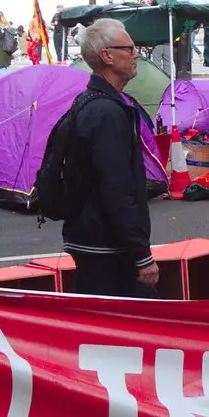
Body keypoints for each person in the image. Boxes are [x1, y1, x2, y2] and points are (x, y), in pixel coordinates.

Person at [63, 19, 159, 299]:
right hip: (109, 247)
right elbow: (116, 187)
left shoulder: (91, 102)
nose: (136, 54)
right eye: (129, 49)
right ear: (107, 56)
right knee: (139, 326)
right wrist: (141, 254)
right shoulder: (106, 112)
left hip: (94, 241)